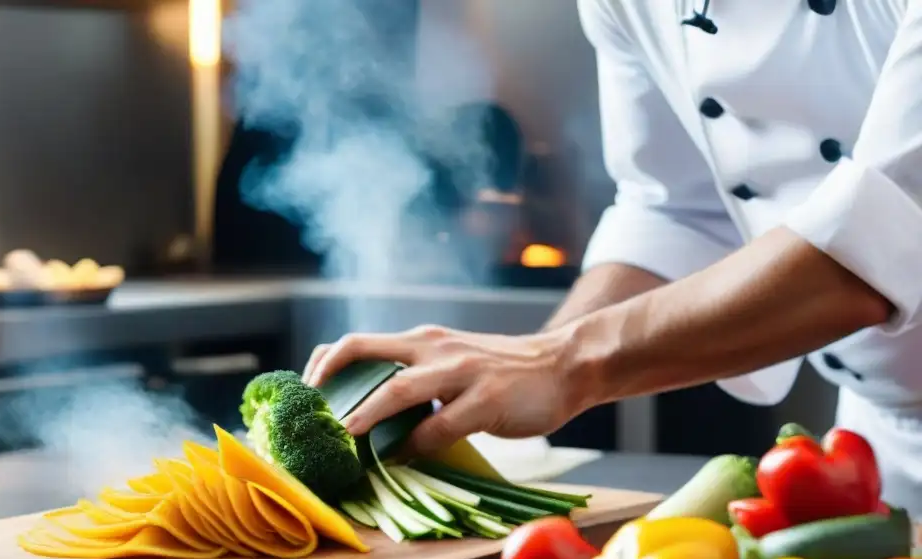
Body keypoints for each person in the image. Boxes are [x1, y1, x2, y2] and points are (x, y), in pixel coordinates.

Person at [303, 1, 922, 513]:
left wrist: (563, 364)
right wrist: (504, 378)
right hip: (873, 453)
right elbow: (677, 212)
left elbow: (881, 239)